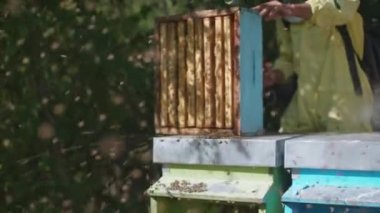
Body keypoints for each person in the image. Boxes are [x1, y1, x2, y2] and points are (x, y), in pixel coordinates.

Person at [254, 0, 374, 133]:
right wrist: (275, 74)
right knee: (285, 150)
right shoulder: (284, 15)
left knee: (350, 151)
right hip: (304, 105)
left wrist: (291, 9)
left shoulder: (287, 9)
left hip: (345, 101)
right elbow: (288, 57)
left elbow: (340, 10)